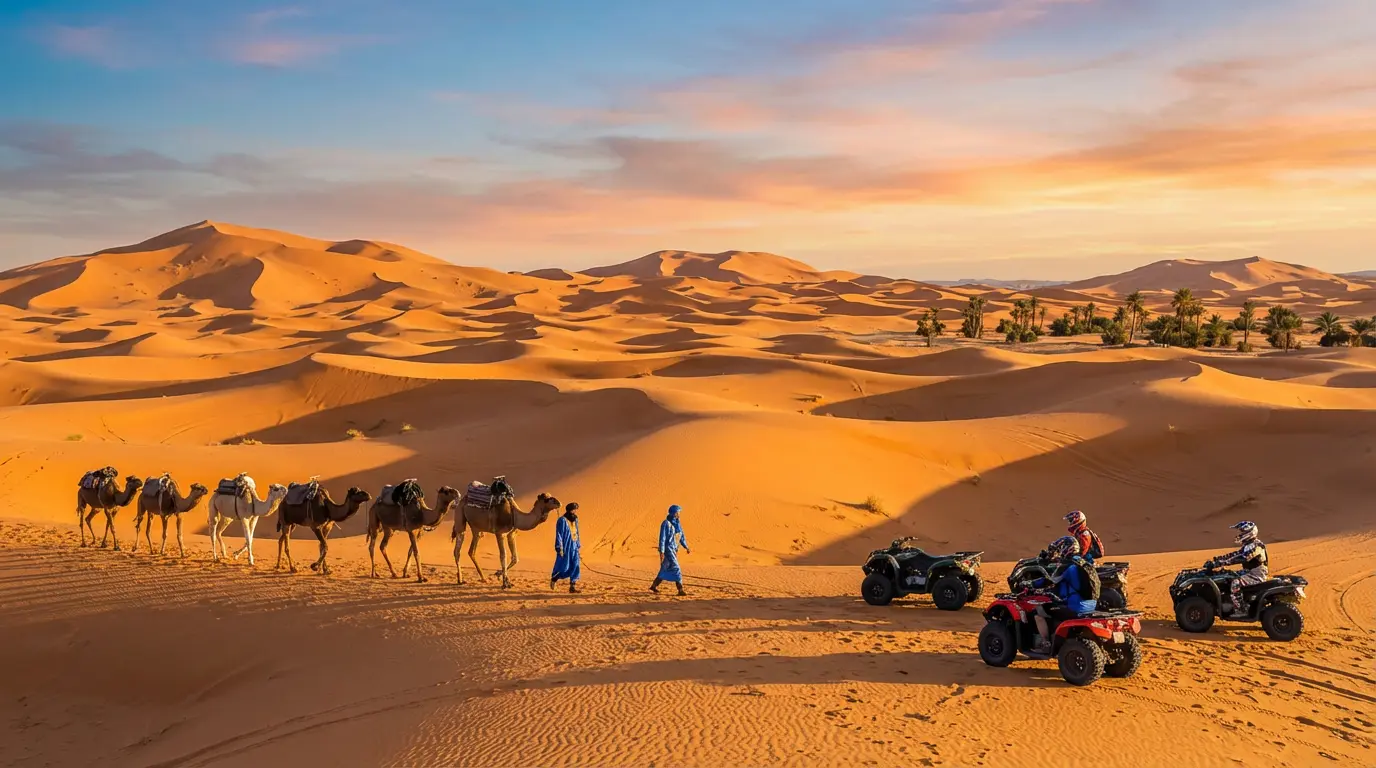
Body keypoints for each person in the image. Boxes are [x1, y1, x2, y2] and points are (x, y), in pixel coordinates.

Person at [1030, 551, 1097, 654]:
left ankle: (1046, 643)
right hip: (1091, 606)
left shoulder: (1068, 567)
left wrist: (1031, 584)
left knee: (1038, 611)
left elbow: (1050, 581)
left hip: (1076, 607)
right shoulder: (1084, 565)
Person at [1206, 520, 1268, 615]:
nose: (1240, 534)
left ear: (1249, 533)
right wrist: (1218, 559)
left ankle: (1242, 610)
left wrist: (1221, 563)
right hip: (1248, 572)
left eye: (1242, 532)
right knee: (1227, 576)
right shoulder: (1248, 545)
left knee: (1235, 583)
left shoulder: (1257, 545)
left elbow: (1242, 558)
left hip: (1257, 575)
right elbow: (1235, 554)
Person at [650, 504, 690, 596]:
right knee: (676, 568)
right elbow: (662, 538)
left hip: (674, 550)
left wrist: (686, 547)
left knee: (664, 568)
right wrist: (662, 551)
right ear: (674, 513)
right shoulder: (666, 524)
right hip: (668, 550)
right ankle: (680, 590)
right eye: (678, 512)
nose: (679, 514)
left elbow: (681, 536)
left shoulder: (678, 524)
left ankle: (654, 586)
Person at [551, 502, 581, 593]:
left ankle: (572, 586)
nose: (575, 511)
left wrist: (578, 544)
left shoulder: (575, 519)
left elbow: (577, 532)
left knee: (575, 565)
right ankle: (554, 579)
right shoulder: (562, 520)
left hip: (574, 546)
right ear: (570, 509)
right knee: (564, 566)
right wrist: (559, 546)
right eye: (574, 509)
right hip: (565, 547)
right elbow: (559, 534)